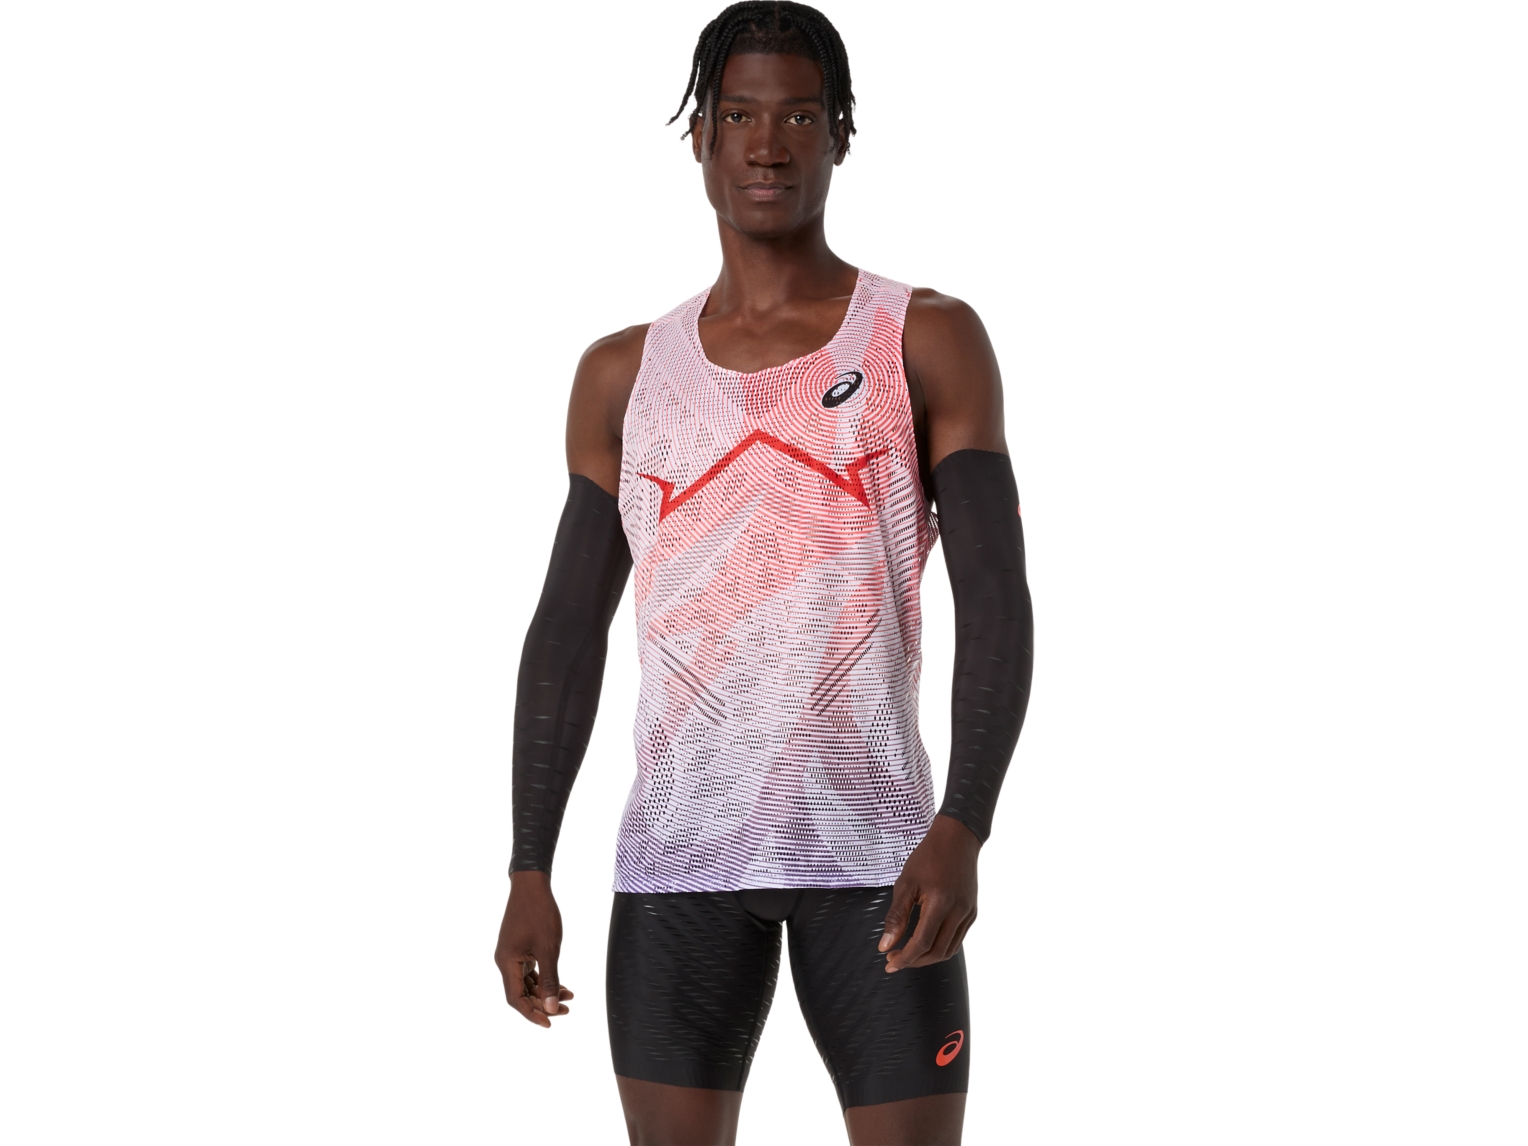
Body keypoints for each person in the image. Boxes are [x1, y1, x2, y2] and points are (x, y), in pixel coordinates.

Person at [494, 4, 1033, 1143]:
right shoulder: (623, 374)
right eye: (739, 116)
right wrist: (529, 866)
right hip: (676, 862)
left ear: (840, 134)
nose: (767, 145)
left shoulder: (923, 338)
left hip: (880, 853)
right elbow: (565, 632)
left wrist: (965, 824)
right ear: (700, 136)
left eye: (797, 116)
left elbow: (996, 602)